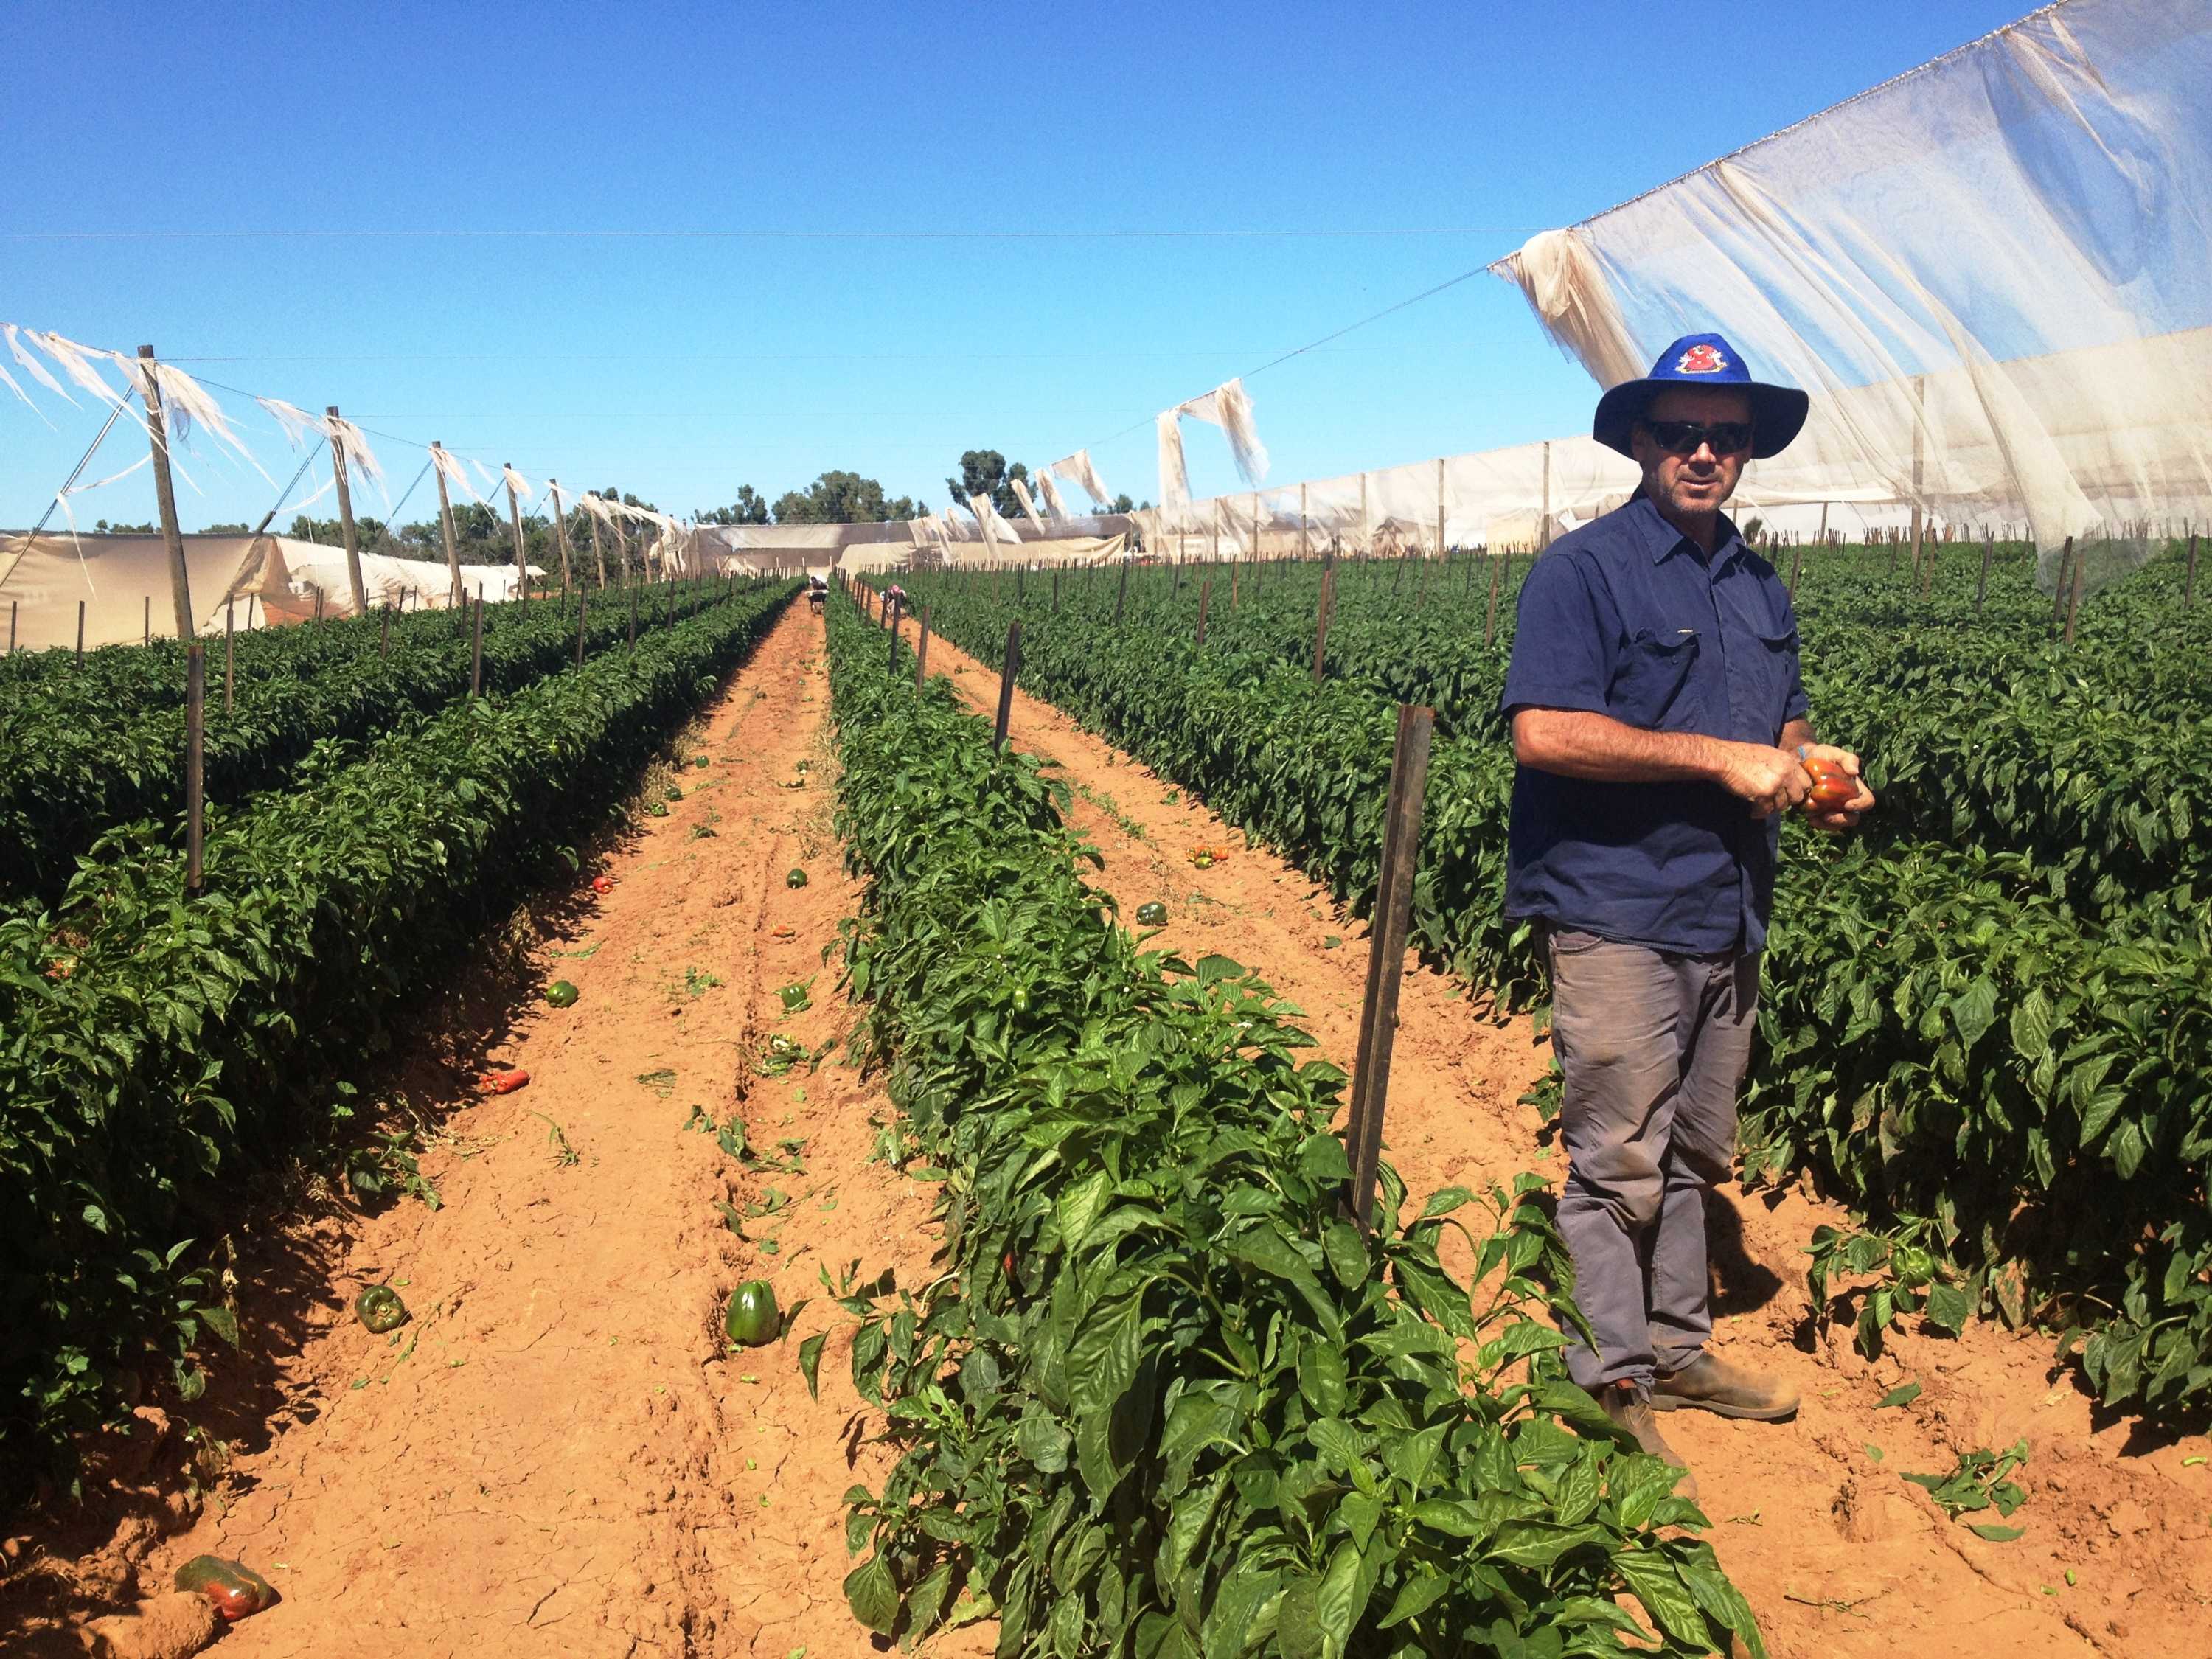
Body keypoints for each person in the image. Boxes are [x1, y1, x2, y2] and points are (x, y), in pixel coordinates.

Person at [1498, 331, 1875, 1498]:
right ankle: (1609, 1381)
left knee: (1693, 1153)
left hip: (1728, 912)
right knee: (1616, 1155)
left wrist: (1816, 776)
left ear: (1748, 447)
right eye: (1681, 431)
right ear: (1641, 442)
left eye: (1727, 434)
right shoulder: (1586, 570)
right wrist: (1719, 760)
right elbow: (1544, 730)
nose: (1705, 451)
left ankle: (1677, 1349)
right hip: (1618, 911)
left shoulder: (1758, 583)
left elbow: (1788, 720)